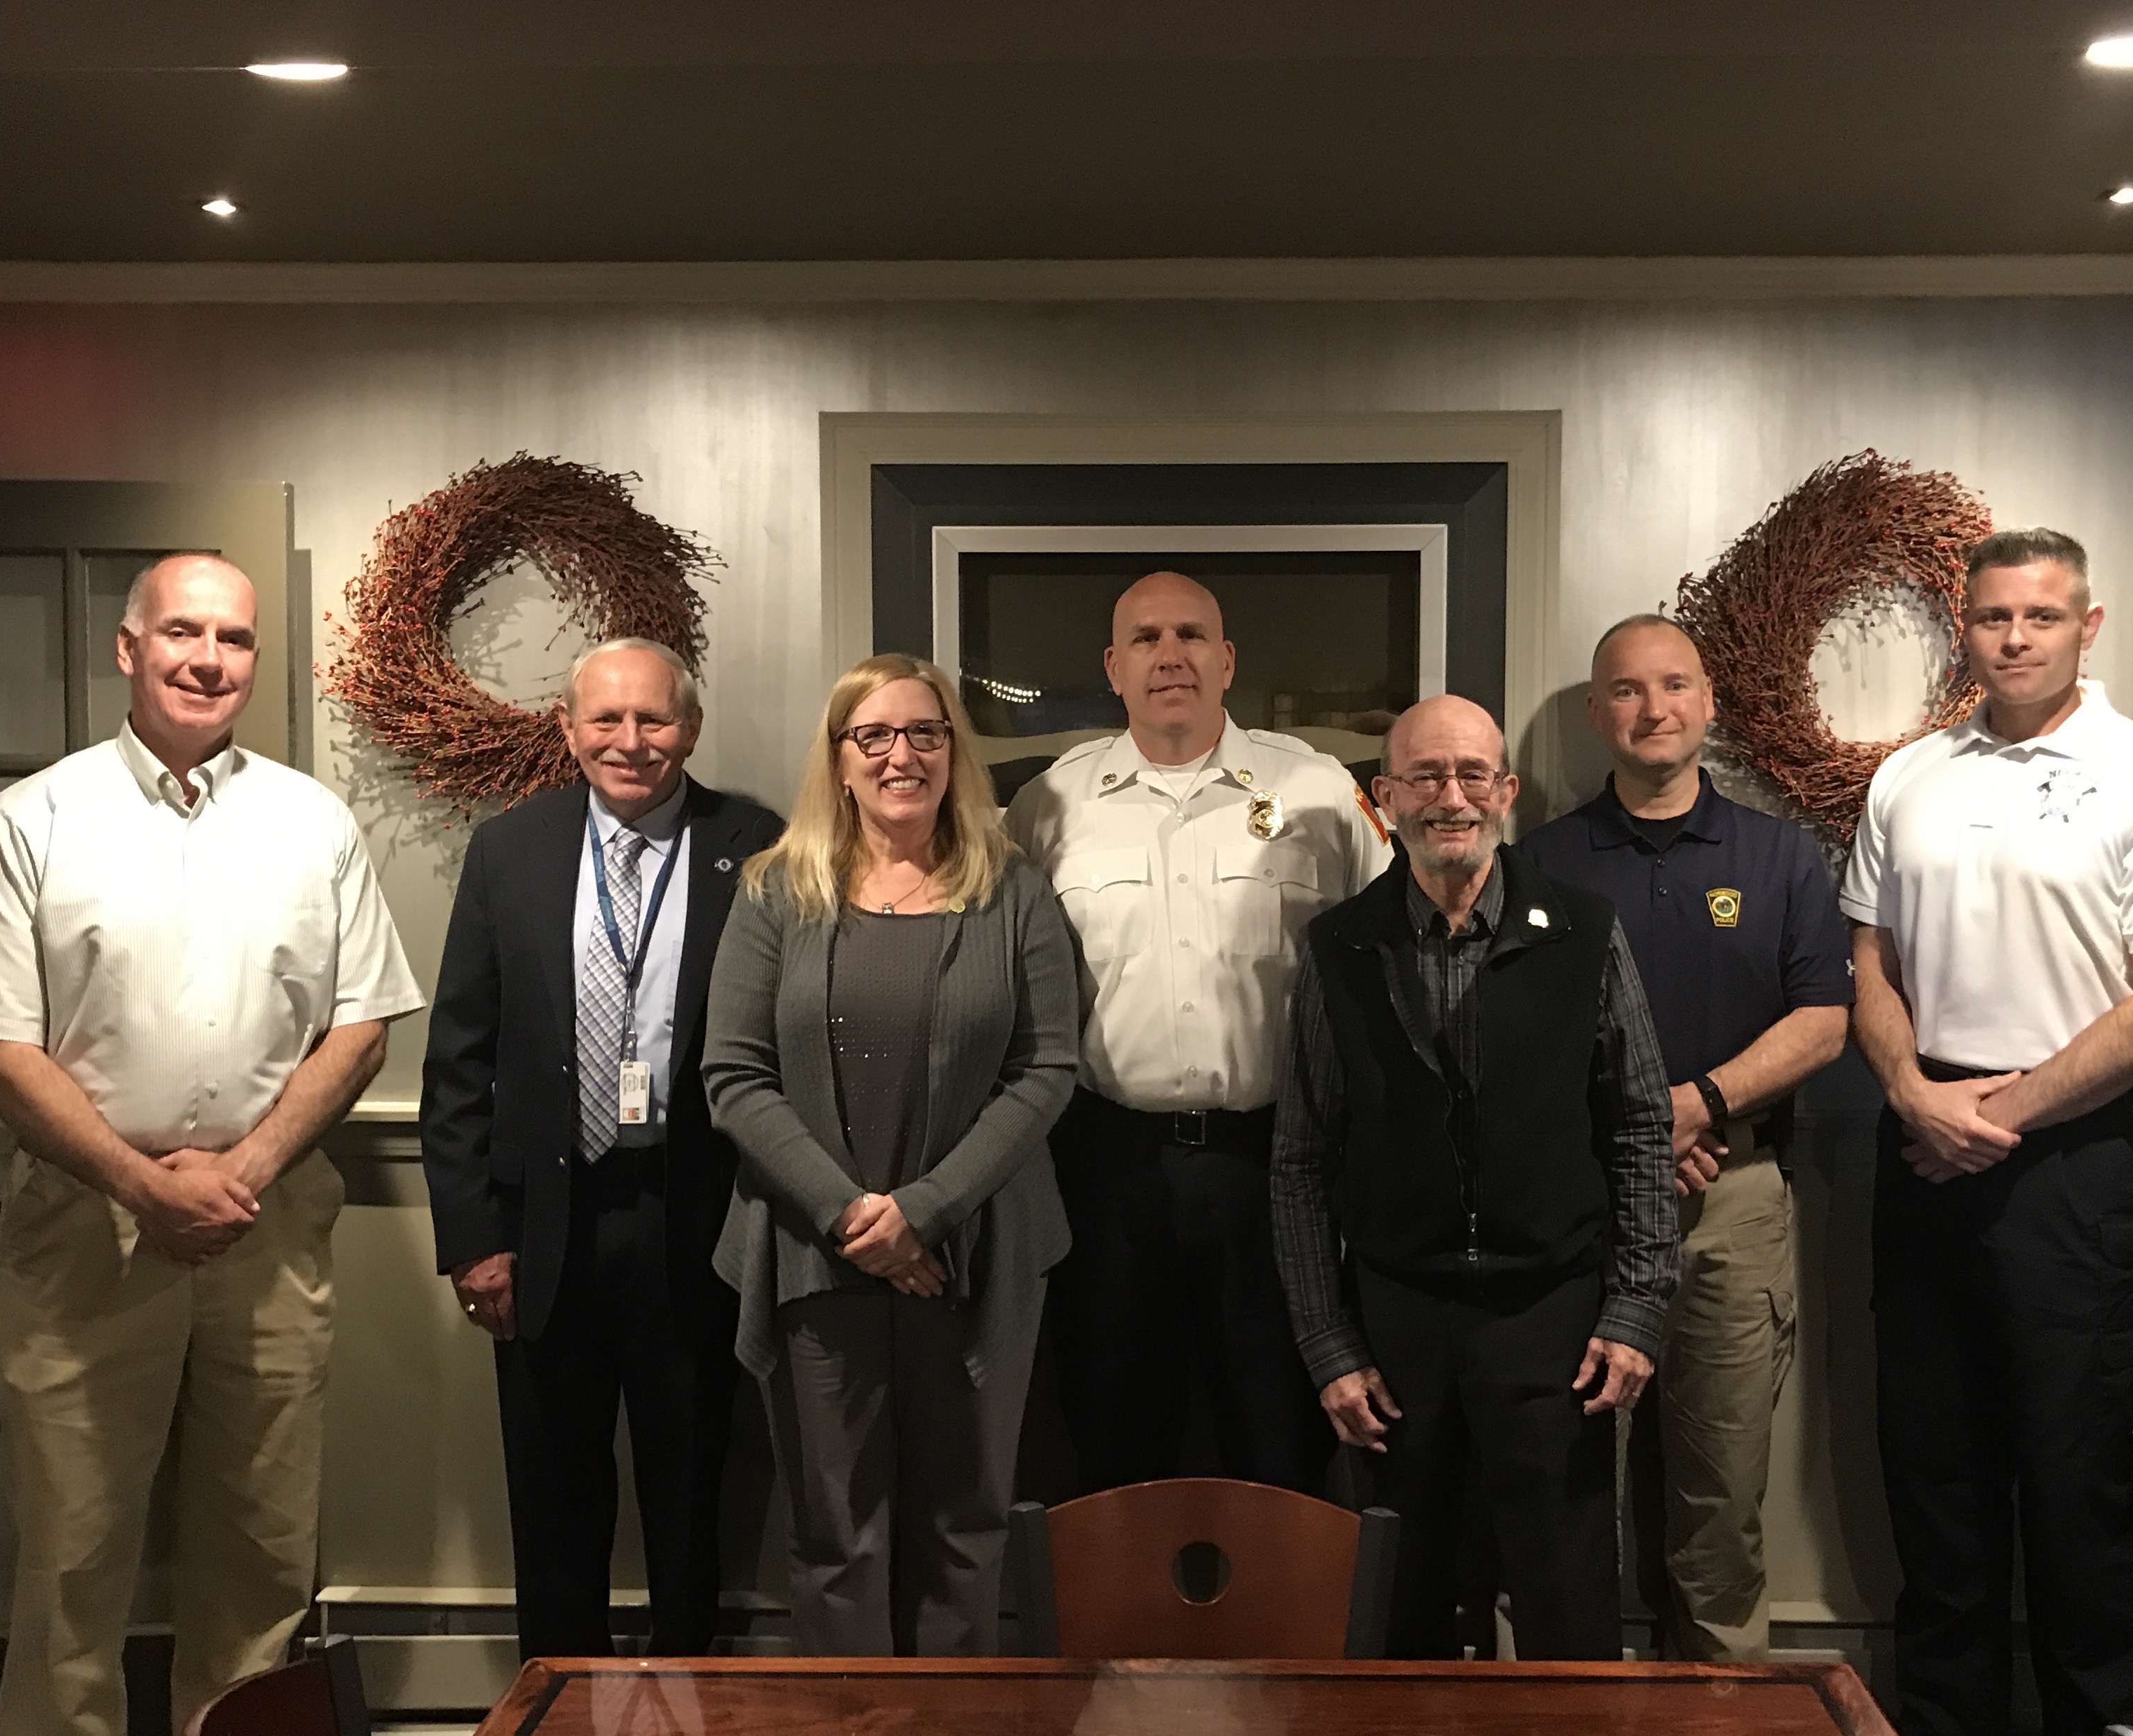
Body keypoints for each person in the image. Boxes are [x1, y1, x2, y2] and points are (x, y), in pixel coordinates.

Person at [0, 554, 421, 1736]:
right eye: (183, 633)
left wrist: (245, 1169)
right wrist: (144, 1184)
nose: (210, 657)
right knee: (71, 1562)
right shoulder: (41, 818)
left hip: (265, 1225)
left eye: (236, 638)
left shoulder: (313, 824)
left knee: (259, 1563)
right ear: (127, 650)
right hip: (88, 1232)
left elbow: (364, 1021)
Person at [1841, 528, 2133, 1736]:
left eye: (2042, 617)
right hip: (1923, 1147)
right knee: (1935, 1479)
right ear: (1968, 627)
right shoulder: (1911, 775)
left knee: (2073, 1493)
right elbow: (1869, 963)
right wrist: (1907, 1087)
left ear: (2088, 623)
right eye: (1994, 618)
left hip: (2075, 1170)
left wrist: (1991, 1110)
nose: (2015, 639)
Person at [1271, 693, 1679, 1658]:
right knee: (1400, 1605)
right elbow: (1299, 1160)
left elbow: (1639, 1123)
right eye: (1423, 777)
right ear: (1385, 798)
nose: (1448, 797)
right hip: (1394, 1326)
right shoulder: (1339, 946)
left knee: (1565, 1600)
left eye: (1469, 776)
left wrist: (1636, 1311)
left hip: (1555, 1325)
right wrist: (1328, 1344)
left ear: (1507, 790)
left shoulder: (1584, 931)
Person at [704, 653, 1080, 1652]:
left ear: (954, 753)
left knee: (966, 1529)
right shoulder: (773, 894)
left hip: (979, 1258)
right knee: (834, 1536)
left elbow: (1048, 1068)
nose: (900, 755)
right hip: (812, 1259)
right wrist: (849, 1216)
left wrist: (925, 1210)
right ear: (839, 759)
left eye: (924, 733)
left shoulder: (1017, 896)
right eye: (873, 735)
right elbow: (733, 1078)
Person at [421, 638, 783, 1660]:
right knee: (553, 1499)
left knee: (692, 1493)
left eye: (654, 720)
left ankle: (690, 1735)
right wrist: (474, 1239)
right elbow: (459, 1058)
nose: (632, 742)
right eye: (608, 721)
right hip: (546, 1228)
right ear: (570, 730)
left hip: (695, 1217)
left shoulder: (756, 844)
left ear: (691, 729)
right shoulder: (510, 849)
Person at [1007, 570, 1392, 1496]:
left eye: (1190, 635)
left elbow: (1395, 959)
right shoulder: (1048, 808)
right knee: (1110, 1440)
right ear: (1113, 666)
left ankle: (1276, 1646)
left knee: (1278, 1442)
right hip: (1107, 1166)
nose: (1168, 655)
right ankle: (1114, 1646)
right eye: (1145, 638)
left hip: (1276, 1167)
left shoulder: (1318, 790)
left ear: (1227, 661)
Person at [1522, 615, 1851, 1661]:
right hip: (1579, 1208)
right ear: (1595, 713)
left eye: (1673, 686)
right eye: (1626, 690)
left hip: (1736, 1200)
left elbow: (1824, 1020)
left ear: (1708, 703)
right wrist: (1631, 1136)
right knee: (1570, 1488)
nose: (1652, 709)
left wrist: (1696, 1104)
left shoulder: (1780, 856)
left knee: (1717, 1499)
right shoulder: (1542, 865)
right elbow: (1518, 1038)